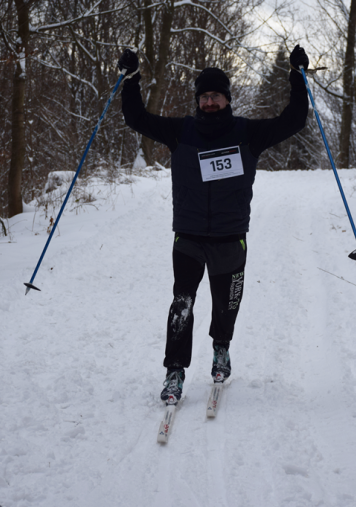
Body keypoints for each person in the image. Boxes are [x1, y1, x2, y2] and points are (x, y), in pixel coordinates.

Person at [117, 45, 310, 405]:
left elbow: (293, 121)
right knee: (182, 304)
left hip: (230, 237)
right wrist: (131, 79)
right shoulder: (181, 131)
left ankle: (221, 349)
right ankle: (175, 370)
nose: (209, 102)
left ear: (227, 99)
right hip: (188, 236)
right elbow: (137, 118)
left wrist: (297, 76)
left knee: (227, 304)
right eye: (204, 96)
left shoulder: (247, 132)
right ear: (198, 100)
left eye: (215, 96)